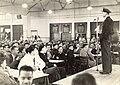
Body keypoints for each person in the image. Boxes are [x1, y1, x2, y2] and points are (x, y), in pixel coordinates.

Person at [100, 8, 114, 74]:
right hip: (107, 39)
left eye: (103, 12)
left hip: (105, 39)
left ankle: (106, 70)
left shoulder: (108, 20)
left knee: (105, 54)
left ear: (106, 13)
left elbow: (108, 31)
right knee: (107, 54)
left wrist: (102, 37)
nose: (102, 13)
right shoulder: (109, 20)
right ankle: (108, 69)